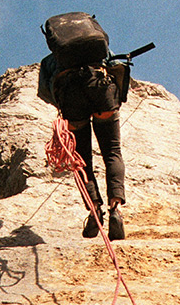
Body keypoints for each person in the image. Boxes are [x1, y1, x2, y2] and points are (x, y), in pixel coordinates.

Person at [39, 13, 127, 240]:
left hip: (72, 97)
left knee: (82, 160)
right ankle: (116, 209)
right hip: (101, 88)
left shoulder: (50, 62)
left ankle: (94, 210)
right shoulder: (98, 50)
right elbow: (115, 65)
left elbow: (45, 93)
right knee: (112, 152)